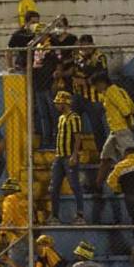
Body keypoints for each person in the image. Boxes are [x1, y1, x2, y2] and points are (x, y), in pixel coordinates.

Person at [48, 91, 84, 225]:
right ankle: (54, 216)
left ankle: (80, 215)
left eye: (59, 103)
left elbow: (77, 137)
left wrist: (74, 155)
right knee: (54, 187)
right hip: (59, 156)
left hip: (69, 155)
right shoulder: (61, 118)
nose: (57, 105)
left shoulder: (74, 117)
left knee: (75, 185)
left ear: (65, 103)